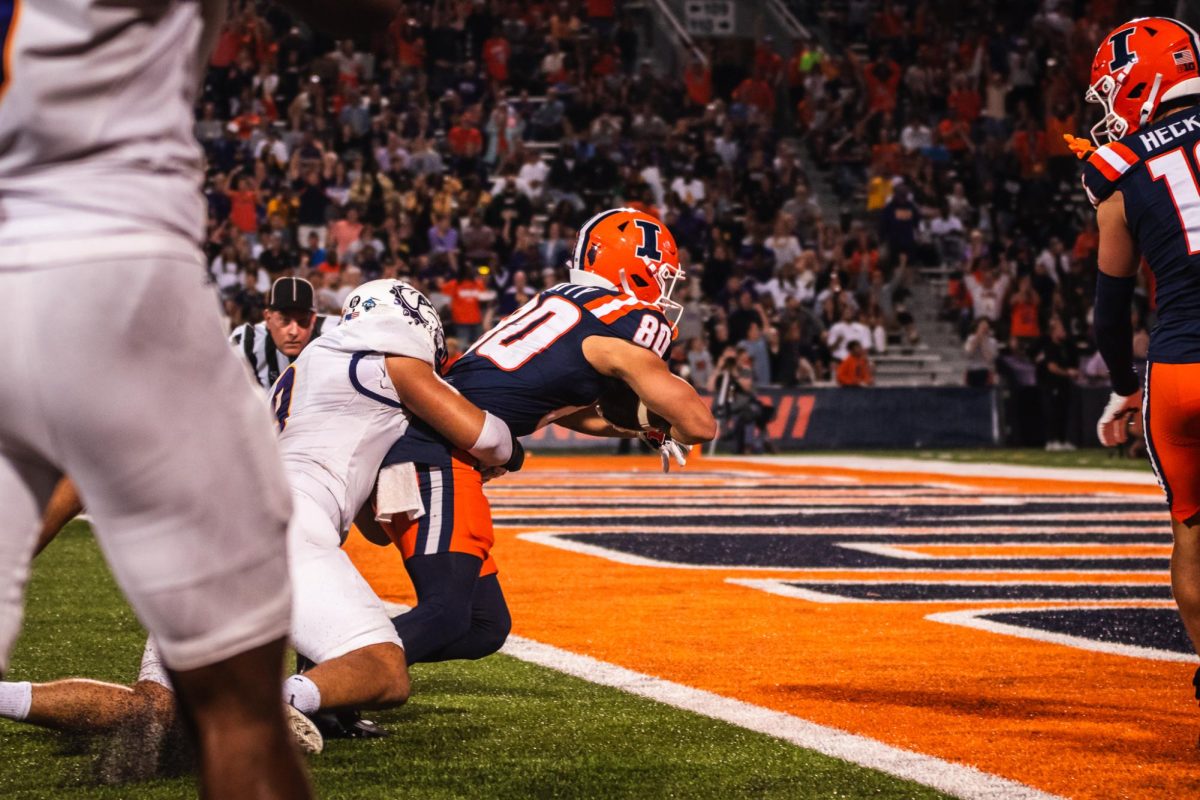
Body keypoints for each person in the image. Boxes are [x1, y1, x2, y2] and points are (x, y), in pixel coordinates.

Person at [0, 0, 426, 794]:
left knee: (154, 717)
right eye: (285, 314)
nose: (294, 326)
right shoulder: (376, 370)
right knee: (374, 667)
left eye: (305, 315)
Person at [0, 280, 525, 752]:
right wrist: (507, 456)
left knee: (152, 710)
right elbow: (489, 437)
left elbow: (371, 526)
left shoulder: (310, 371)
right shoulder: (384, 359)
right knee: (385, 671)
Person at [371, 208, 716, 667]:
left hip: (424, 444)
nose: (665, 288)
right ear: (630, 266)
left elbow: (558, 405)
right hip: (436, 454)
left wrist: (638, 424)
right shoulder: (625, 319)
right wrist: (662, 424)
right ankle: (322, 684)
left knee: (483, 625)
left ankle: (340, 686)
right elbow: (700, 425)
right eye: (661, 274)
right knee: (446, 613)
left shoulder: (566, 302)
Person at [1082, 18, 1200, 691]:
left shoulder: (1118, 170)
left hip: (1181, 368)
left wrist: (1124, 386)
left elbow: (1108, 315)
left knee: (1190, 528)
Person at [231, 277, 332, 390]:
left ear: (313, 319)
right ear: (268, 318)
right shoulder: (248, 341)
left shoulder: (335, 333)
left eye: (303, 321)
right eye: (285, 320)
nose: (294, 332)